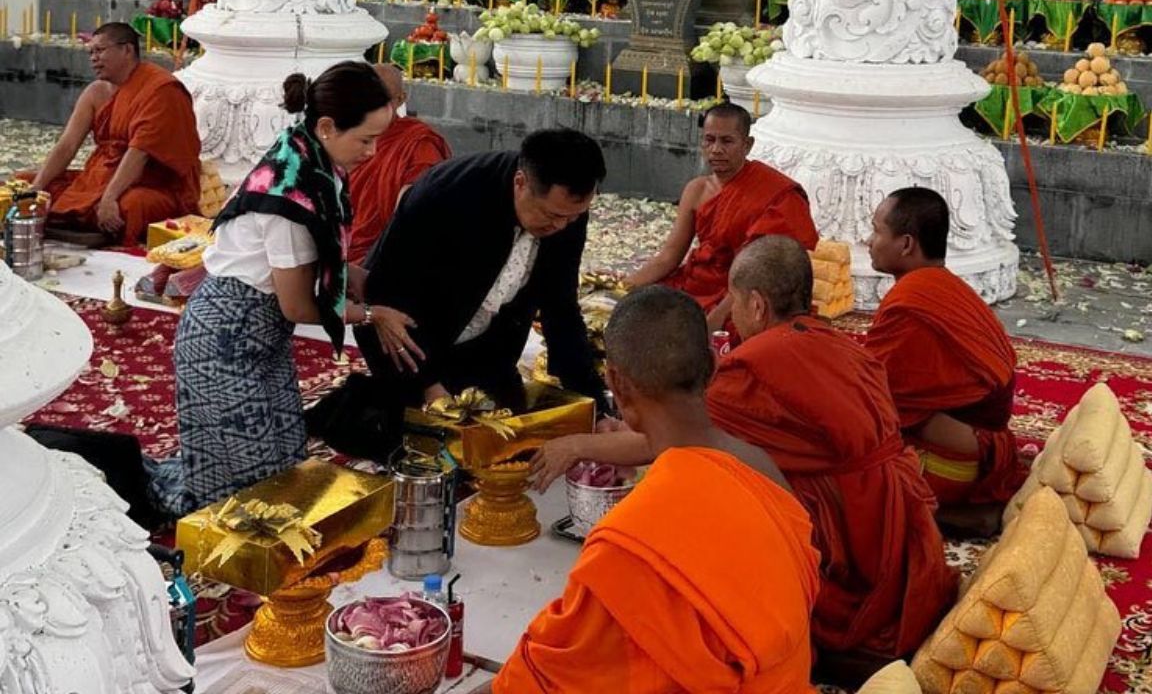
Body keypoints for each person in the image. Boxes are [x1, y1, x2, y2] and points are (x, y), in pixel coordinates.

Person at [531, 237, 957, 669]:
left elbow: (675, 437)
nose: (731, 313)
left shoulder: (756, 366)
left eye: (733, 301)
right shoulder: (839, 342)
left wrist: (576, 445)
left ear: (755, 305)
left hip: (850, 544)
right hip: (902, 525)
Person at [476, 287, 821, 694]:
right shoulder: (764, 472)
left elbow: (549, 677)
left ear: (616, 384)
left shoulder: (630, 538)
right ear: (713, 366)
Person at [148, 62, 422, 516]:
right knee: (244, 500)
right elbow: (297, 305)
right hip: (223, 340)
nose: (373, 153)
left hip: (261, 338)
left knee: (285, 467)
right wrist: (372, 315)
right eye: (367, 139)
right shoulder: (289, 194)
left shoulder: (313, 157)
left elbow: (321, 258)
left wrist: (358, 275)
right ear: (328, 126)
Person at [357, 130, 608, 413]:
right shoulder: (446, 193)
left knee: (511, 431)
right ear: (520, 183)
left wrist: (593, 403)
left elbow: (560, 306)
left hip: (489, 349)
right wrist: (428, 386)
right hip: (410, 343)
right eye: (552, 216)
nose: (561, 227)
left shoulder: (567, 211)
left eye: (572, 217)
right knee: (417, 435)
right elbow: (386, 296)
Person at [865, 187, 1023, 522]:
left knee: (839, 462)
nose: (869, 241)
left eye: (877, 231)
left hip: (959, 464)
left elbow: (872, 393)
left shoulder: (908, 305)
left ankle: (950, 513)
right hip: (987, 444)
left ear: (906, 244)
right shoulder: (948, 286)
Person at [625, 103, 819, 332]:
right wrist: (623, 288)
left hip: (743, 294)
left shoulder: (773, 193)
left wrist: (714, 320)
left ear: (747, 145)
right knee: (640, 313)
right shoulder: (696, 190)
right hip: (695, 285)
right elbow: (669, 256)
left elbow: (758, 275)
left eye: (727, 141)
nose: (716, 149)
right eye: (709, 140)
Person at [27, 22, 201, 246]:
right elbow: (68, 145)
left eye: (99, 50)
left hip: (149, 183)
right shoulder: (95, 92)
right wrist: (37, 187)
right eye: (90, 52)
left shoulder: (160, 89)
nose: (93, 58)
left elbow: (139, 152)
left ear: (127, 50)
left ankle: (90, 229)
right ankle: (79, 224)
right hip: (99, 177)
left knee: (130, 206)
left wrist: (109, 197)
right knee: (22, 184)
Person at [345, 64, 451, 264]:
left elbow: (415, 208)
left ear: (400, 99)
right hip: (335, 246)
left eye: (379, 100)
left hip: (382, 257)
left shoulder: (417, 142)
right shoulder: (342, 136)